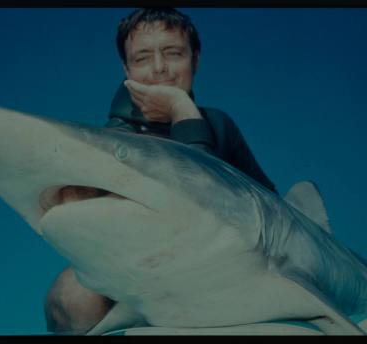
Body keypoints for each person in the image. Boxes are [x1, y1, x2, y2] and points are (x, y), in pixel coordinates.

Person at [44, 7, 278, 335]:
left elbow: (270, 204)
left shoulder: (219, 125)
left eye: (173, 53)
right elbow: (190, 205)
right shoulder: (113, 144)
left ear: (195, 59)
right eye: (142, 58)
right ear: (125, 69)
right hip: (148, 275)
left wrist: (185, 113)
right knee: (72, 296)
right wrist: (183, 111)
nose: (159, 69)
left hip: (227, 269)